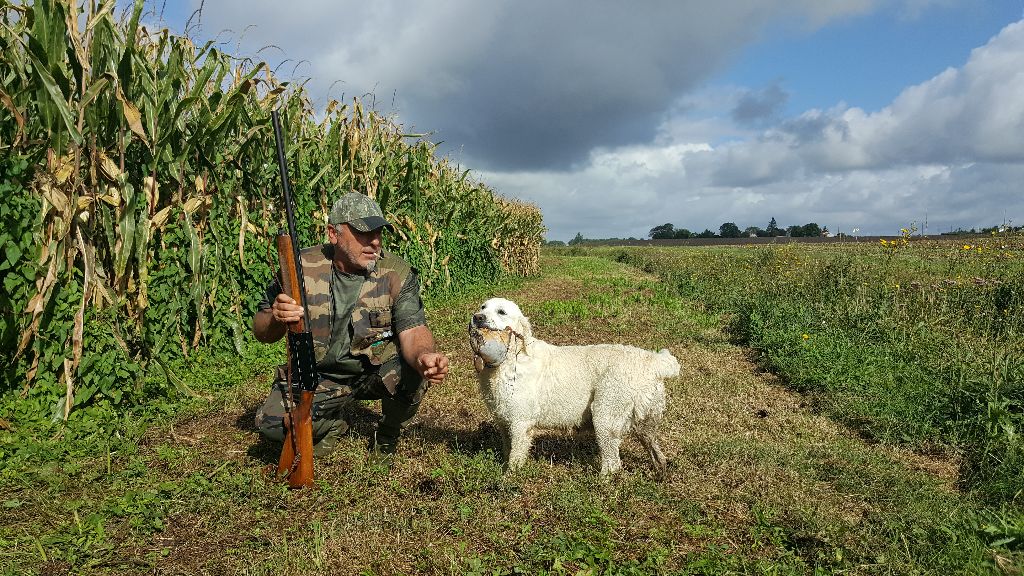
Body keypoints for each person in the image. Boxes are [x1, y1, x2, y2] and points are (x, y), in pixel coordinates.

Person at [252, 192, 449, 458]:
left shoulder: (395, 272)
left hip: (373, 373)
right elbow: (261, 330)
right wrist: (276, 316)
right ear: (333, 234)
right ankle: (334, 424)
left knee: (412, 370)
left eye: (378, 233)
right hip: (319, 377)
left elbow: (413, 329)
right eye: (363, 234)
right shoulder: (299, 268)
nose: (375, 242)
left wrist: (425, 356)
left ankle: (388, 433)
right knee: (272, 426)